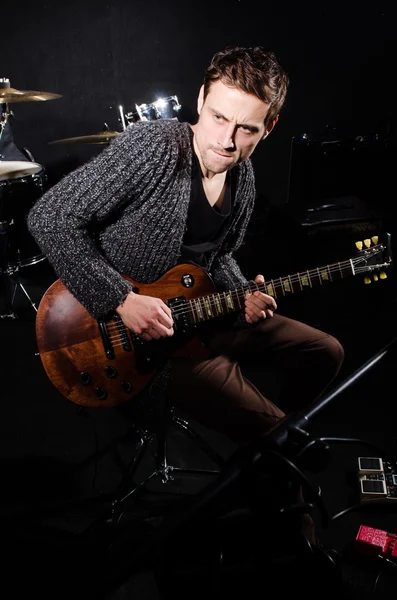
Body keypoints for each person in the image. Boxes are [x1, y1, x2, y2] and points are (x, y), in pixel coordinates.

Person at [27, 46, 344, 545]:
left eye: (247, 129)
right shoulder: (155, 148)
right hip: (143, 346)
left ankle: (262, 450)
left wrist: (242, 293)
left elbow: (214, 259)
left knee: (326, 351)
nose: (226, 139)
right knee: (284, 435)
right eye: (218, 116)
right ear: (201, 98)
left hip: (202, 315)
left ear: (271, 127)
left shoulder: (246, 179)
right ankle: (283, 490)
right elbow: (49, 218)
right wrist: (120, 299)